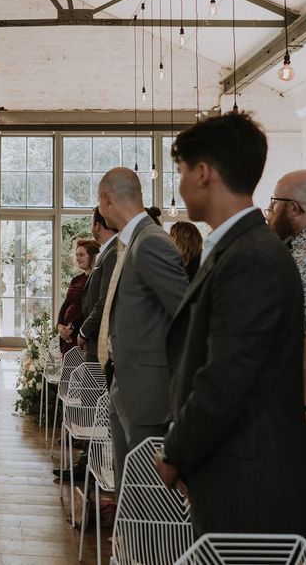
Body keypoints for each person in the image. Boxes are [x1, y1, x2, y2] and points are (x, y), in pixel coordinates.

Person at [157, 113, 306, 535]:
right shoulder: (239, 248)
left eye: (182, 171)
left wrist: (175, 450)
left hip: (248, 475)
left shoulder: (251, 257)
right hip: (234, 464)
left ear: (203, 173)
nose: (181, 183)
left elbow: (226, 377)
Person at [97, 167, 187, 493]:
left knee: (148, 496)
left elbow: (185, 314)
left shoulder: (151, 242)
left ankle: (146, 546)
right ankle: (127, 544)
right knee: (129, 489)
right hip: (127, 382)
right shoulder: (132, 240)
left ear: (106, 199)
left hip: (149, 390)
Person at [267, 169, 306, 421]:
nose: (269, 212)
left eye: (273, 204)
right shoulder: (293, 250)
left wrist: (304, 406)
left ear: (294, 208)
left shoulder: (304, 259)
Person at [78, 207, 119, 363]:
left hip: (100, 340)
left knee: (91, 386)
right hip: (95, 339)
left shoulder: (113, 252)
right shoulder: (107, 250)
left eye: (91, 223)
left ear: (97, 225)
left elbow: (105, 301)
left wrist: (84, 331)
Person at [57, 239, 99, 354]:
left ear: (92, 256)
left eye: (81, 255)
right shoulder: (76, 279)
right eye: (76, 255)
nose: (77, 258)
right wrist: (60, 325)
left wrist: (72, 327)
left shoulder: (96, 280)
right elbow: (66, 304)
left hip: (80, 333)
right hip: (66, 334)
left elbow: (89, 307)